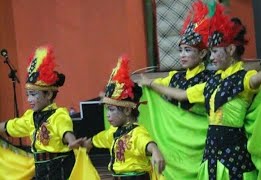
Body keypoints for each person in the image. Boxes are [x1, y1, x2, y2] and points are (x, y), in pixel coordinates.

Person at [138, 3, 261, 180]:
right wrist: (150, 84)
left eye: (215, 52)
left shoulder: (243, 78)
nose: (211, 58)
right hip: (211, 155)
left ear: (231, 50)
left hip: (234, 156)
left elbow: (255, 79)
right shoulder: (212, 82)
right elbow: (181, 95)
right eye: (210, 52)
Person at [0, 45, 81, 179]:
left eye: (33, 94)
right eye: (27, 95)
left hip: (59, 169)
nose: (29, 99)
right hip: (41, 171)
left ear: (48, 94)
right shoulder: (30, 118)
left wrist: (72, 141)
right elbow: (11, 126)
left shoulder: (58, 115)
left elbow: (66, 131)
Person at [78, 55, 165, 180]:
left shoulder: (136, 133)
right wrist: (88, 143)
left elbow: (147, 143)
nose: (108, 114)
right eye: (107, 109)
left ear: (127, 110)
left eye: (112, 110)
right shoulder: (114, 133)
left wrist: (156, 151)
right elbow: (99, 139)